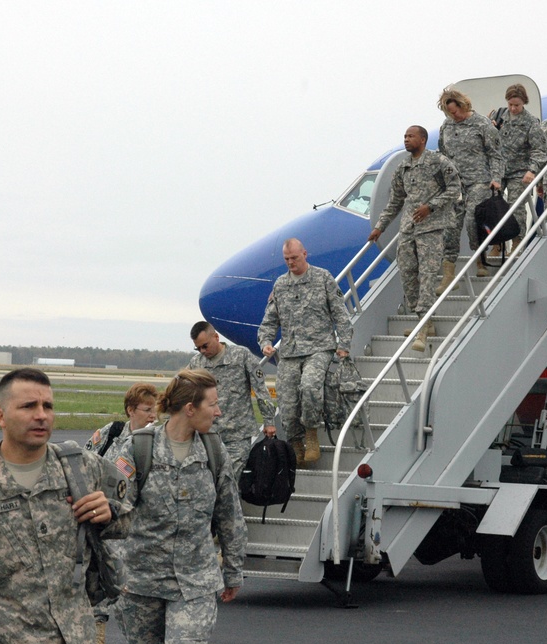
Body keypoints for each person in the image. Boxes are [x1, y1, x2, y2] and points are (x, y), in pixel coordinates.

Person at [0, 368, 130, 644]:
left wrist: (109, 513)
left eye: (48, 406)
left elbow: (131, 520)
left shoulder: (83, 469)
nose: (41, 415)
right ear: (0, 416)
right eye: (28, 406)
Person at [116, 370, 246, 644]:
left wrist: (234, 570)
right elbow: (115, 515)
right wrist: (115, 572)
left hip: (195, 581)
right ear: (190, 408)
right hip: (141, 582)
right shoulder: (138, 448)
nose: (218, 411)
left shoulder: (214, 450)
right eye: (212, 404)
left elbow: (230, 513)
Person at [258, 238, 353, 464]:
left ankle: (311, 434)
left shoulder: (323, 278)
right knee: (287, 402)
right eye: (286, 259)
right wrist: (265, 342)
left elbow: (340, 314)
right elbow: (269, 320)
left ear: (305, 254)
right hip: (290, 352)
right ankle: (295, 443)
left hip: (320, 348)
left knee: (309, 387)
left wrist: (344, 345)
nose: (290, 262)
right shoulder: (280, 285)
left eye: (294, 258)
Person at [83, 381, 159, 644]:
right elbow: (84, 460)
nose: (153, 416)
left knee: (127, 588)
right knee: (96, 577)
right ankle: (97, 641)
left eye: (156, 410)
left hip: (135, 522)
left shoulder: (156, 442)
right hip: (103, 518)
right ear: (130, 410)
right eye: (146, 409)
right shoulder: (110, 433)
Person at [369, 125, 462, 352]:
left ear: (422, 139)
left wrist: (431, 207)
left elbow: (455, 188)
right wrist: (380, 227)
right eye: (405, 136)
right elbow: (395, 201)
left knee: (428, 277)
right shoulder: (403, 168)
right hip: (409, 229)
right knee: (409, 276)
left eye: (411, 136)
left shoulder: (438, 162)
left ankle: (422, 331)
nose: (406, 140)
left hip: (431, 228)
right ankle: (425, 321)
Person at [189, 321, 277, 476]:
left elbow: (260, 390)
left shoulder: (241, 356)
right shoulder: (196, 363)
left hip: (237, 435)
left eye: (205, 346)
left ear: (216, 337)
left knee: (228, 478)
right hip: (207, 434)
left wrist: (269, 422)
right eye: (198, 348)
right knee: (207, 480)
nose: (202, 351)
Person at [437, 86, 505, 284]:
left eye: (455, 111)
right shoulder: (447, 127)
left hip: (479, 181)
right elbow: (443, 154)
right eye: (449, 112)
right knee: (450, 226)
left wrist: (496, 178)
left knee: (472, 221)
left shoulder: (481, 124)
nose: (453, 115)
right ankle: (449, 273)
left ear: (463, 105)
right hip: (455, 184)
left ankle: (480, 261)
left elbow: (496, 154)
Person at [497, 84, 547, 253]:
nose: (513, 108)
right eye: (510, 104)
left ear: (523, 102)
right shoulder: (499, 118)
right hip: (499, 170)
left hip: (520, 172)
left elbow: (539, 150)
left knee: (515, 207)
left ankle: (517, 242)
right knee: (494, 206)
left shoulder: (531, 123)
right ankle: (497, 243)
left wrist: (532, 170)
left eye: (517, 105)